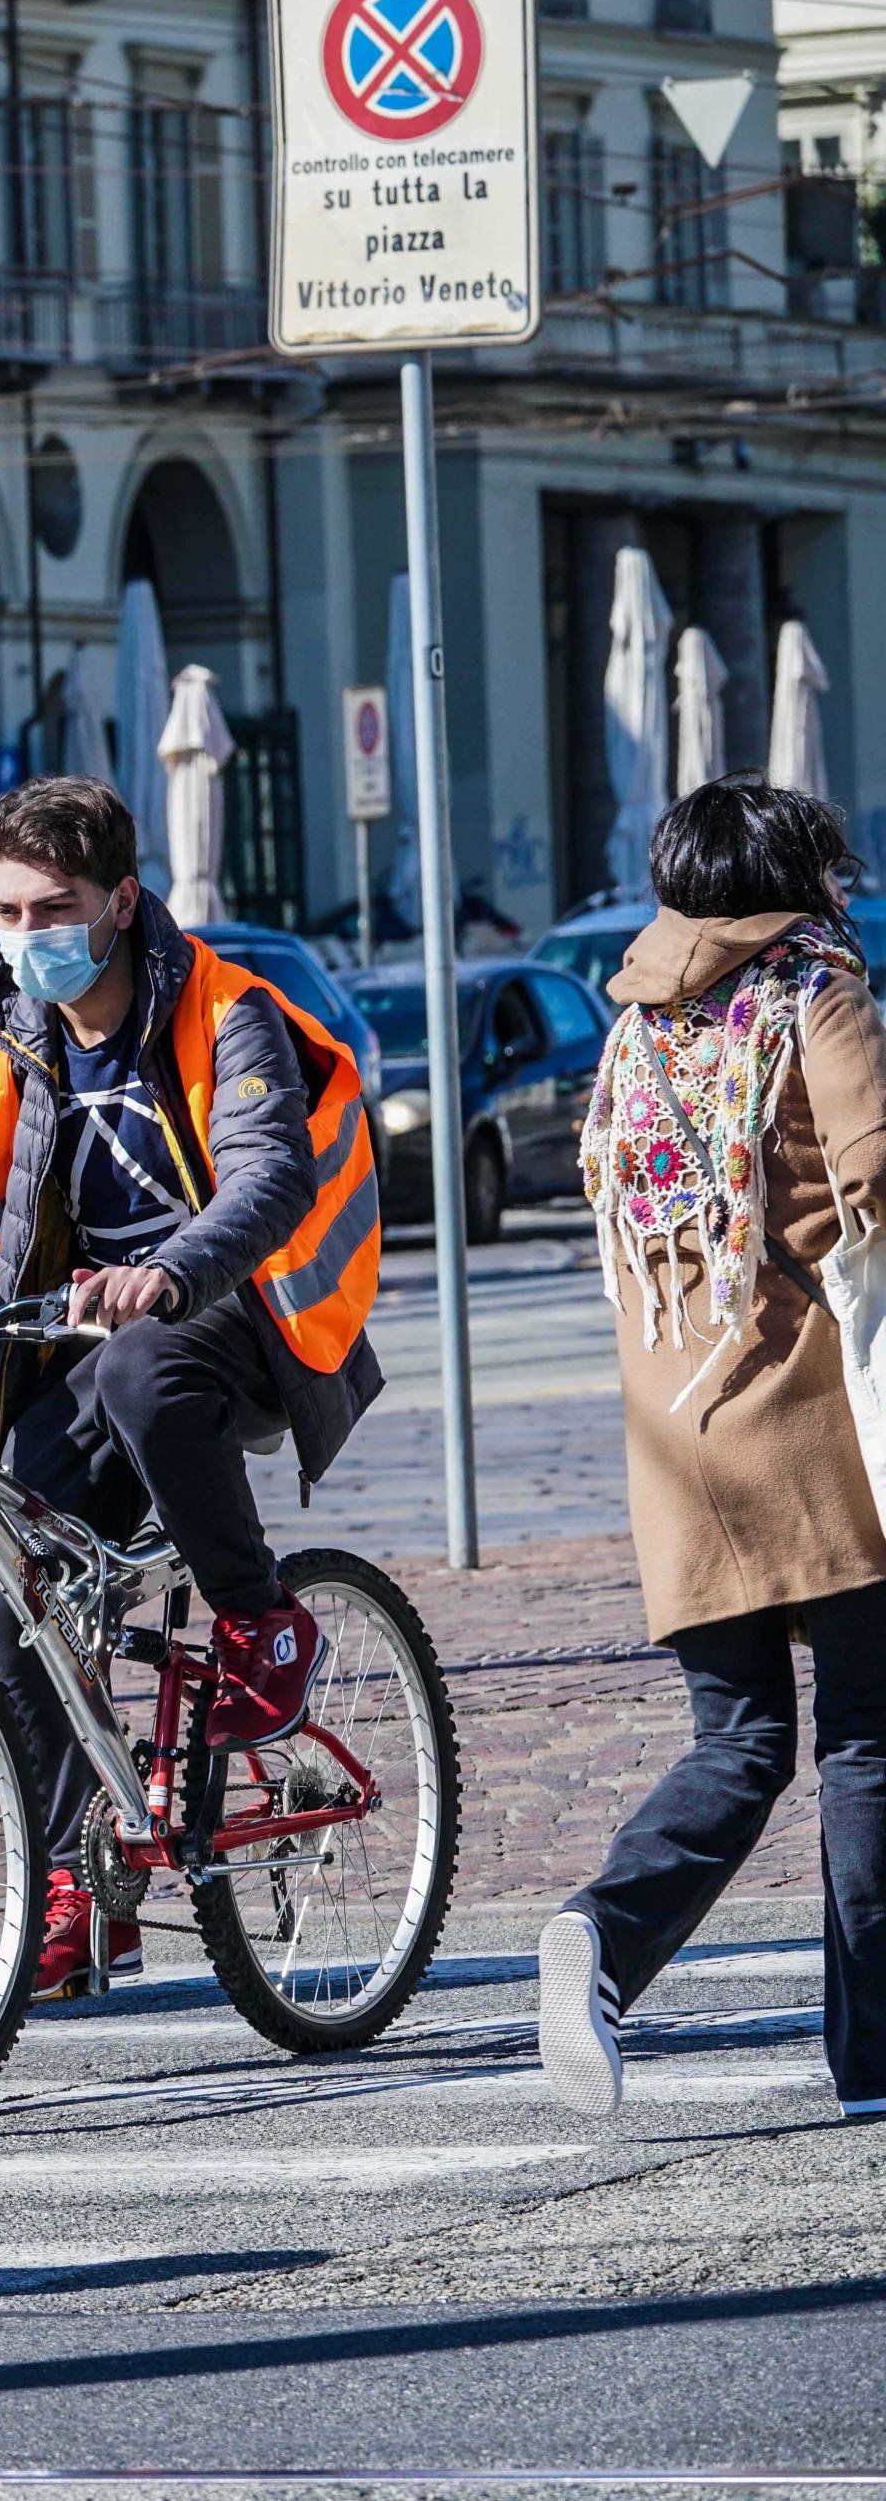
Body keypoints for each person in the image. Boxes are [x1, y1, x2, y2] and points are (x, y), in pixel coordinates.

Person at [0, 776, 382, 1999]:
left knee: (148, 1367)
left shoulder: (226, 1012)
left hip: (236, 1321)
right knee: (6, 1602)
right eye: (5, 910)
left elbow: (267, 1182)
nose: (27, 935)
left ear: (121, 902)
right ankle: (75, 1898)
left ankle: (263, 1620)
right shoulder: (6, 1031)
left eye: (54, 907)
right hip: (77, 1342)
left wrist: (165, 1270)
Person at [543, 775, 886, 2121]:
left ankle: (604, 1930)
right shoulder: (814, 991)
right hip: (812, 1432)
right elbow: (875, 1163)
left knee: (740, 1736)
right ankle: (873, 2057)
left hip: (677, 1447)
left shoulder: (639, 1026)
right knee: (865, 1740)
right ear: (797, 873)